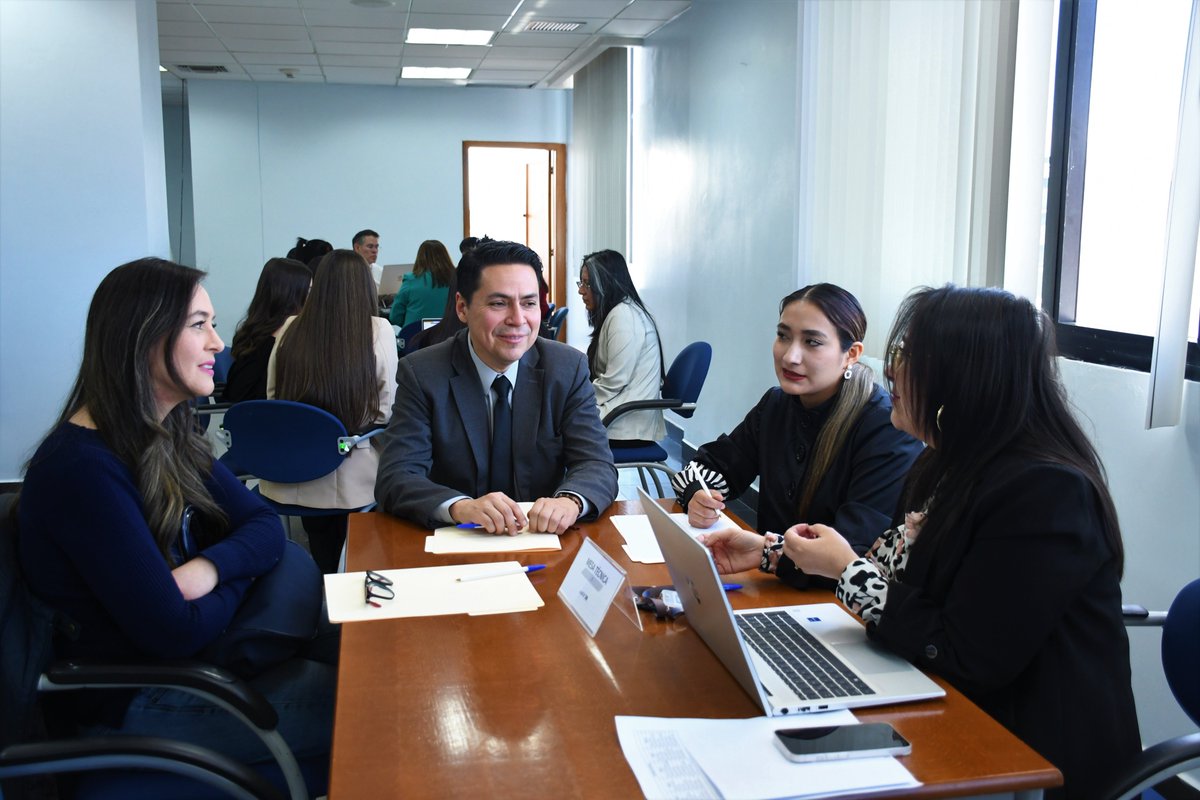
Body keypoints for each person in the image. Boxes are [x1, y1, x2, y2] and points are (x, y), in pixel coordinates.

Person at [700, 285, 1139, 798]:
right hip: (936, 696)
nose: (893, 372)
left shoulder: (1047, 492)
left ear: (965, 378)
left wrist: (844, 571)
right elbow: (888, 563)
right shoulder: (944, 461)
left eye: (910, 357)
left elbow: (967, 653)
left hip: (1025, 754)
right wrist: (771, 551)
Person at [17, 257, 334, 776]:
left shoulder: (166, 434)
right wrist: (246, 571)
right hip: (134, 699)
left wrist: (207, 571)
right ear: (142, 336)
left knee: (373, 662)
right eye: (198, 325)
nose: (218, 344)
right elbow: (176, 631)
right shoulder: (82, 470)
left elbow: (262, 525)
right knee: (380, 706)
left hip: (196, 668)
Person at [671, 283, 922, 588]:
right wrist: (697, 493)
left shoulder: (884, 426)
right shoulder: (777, 405)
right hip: (774, 588)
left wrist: (767, 553)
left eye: (812, 342)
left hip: (838, 606)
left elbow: (851, 552)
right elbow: (711, 466)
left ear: (851, 354)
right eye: (783, 336)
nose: (790, 356)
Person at [375, 239, 618, 535]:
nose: (518, 320)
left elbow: (596, 463)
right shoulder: (423, 373)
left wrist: (569, 501)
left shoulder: (566, 369)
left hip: (541, 541)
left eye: (529, 303)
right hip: (456, 541)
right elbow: (397, 475)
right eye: (499, 303)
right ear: (462, 308)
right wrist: (460, 506)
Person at [264, 249, 398, 572]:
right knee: (359, 551)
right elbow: (386, 411)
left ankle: (323, 588)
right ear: (365, 288)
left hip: (296, 475)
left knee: (324, 547)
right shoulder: (379, 329)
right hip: (357, 481)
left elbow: (273, 399)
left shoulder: (289, 329)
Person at [576, 249, 665, 444]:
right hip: (620, 413)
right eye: (581, 282)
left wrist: (576, 402)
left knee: (552, 428)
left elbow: (614, 381)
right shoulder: (619, 312)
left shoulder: (624, 317)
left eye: (587, 284)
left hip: (624, 422)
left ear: (605, 284)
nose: (581, 290)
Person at [222, 257, 312, 403]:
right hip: (264, 419)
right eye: (308, 292)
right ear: (292, 295)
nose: (311, 299)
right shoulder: (280, 341)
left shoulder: (253, 333)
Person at [389, 239, 455, 327]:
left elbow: (395, 317)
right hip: (450, 335)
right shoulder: (457, 279)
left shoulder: (410, 280)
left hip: (414, 336)